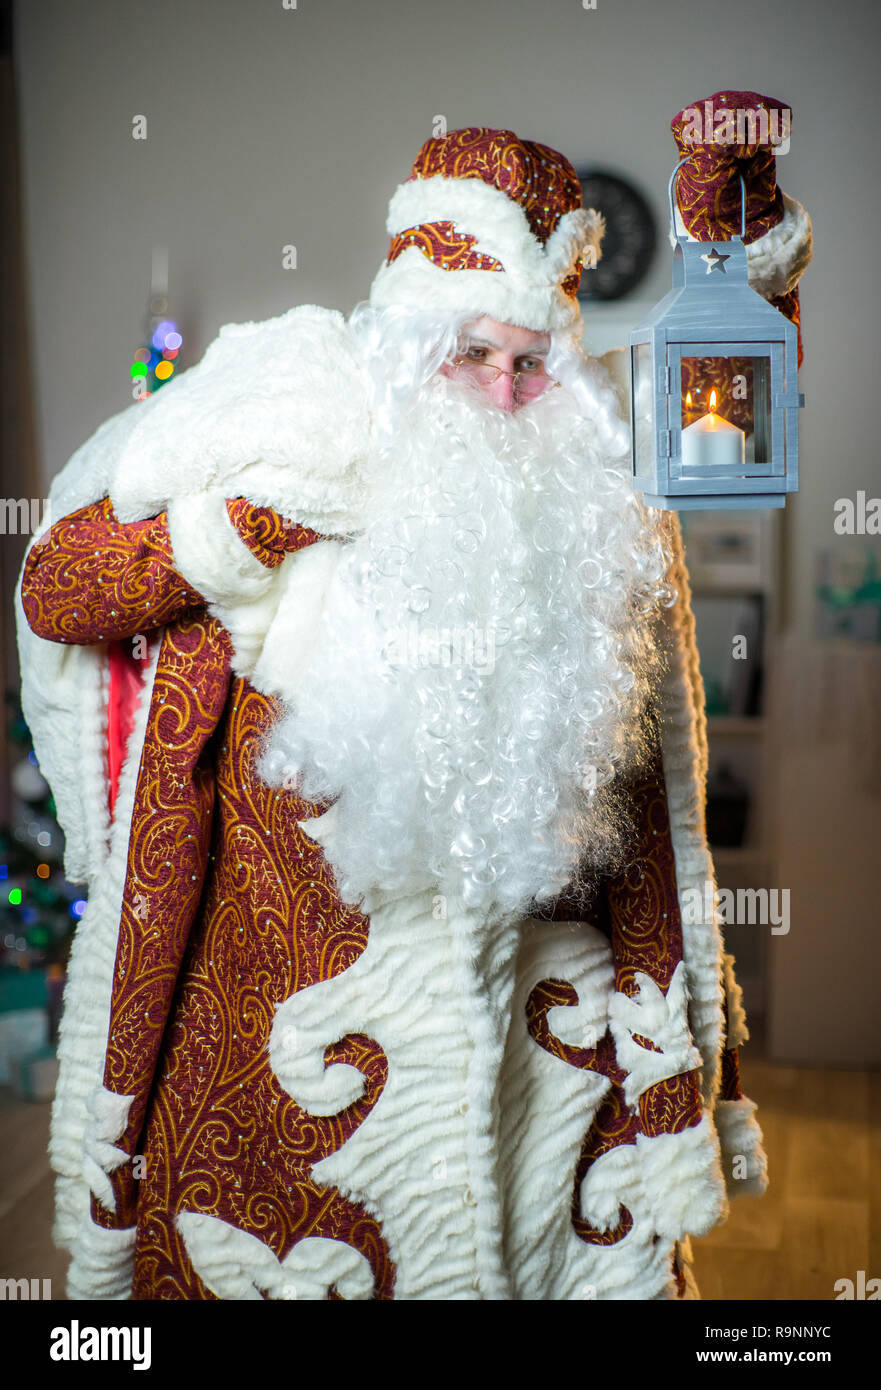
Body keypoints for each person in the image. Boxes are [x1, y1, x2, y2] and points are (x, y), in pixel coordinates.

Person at [16, 119, 809, 1301]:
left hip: (548, 1093)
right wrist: (253, 526)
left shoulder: (584, 524)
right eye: (469, 355)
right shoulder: (278, 446)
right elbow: (57, 590)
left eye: (529, 366)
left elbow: (645, 828)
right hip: (278, 1113)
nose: (501, 392)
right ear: (405, 340)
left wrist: (742, 222)